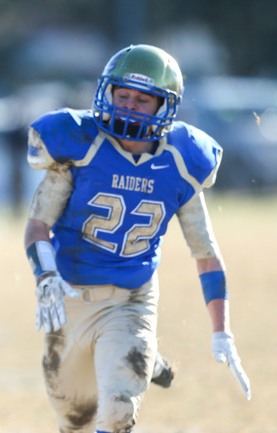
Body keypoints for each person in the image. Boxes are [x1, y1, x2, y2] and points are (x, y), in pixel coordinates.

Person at [23, 44, 251, 433]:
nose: (127, 106)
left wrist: (222, 331)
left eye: (141, 100)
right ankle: (148, 359)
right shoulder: (81, 145)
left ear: (164, 107)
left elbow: (207, 256)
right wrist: (44, 276)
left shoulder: (182, 161)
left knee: (116, 413)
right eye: (121, 95)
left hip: (132, 299)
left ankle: (135, 349)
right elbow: (38, 226)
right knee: (75, 420)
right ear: (106, 93)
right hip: (71, 296)